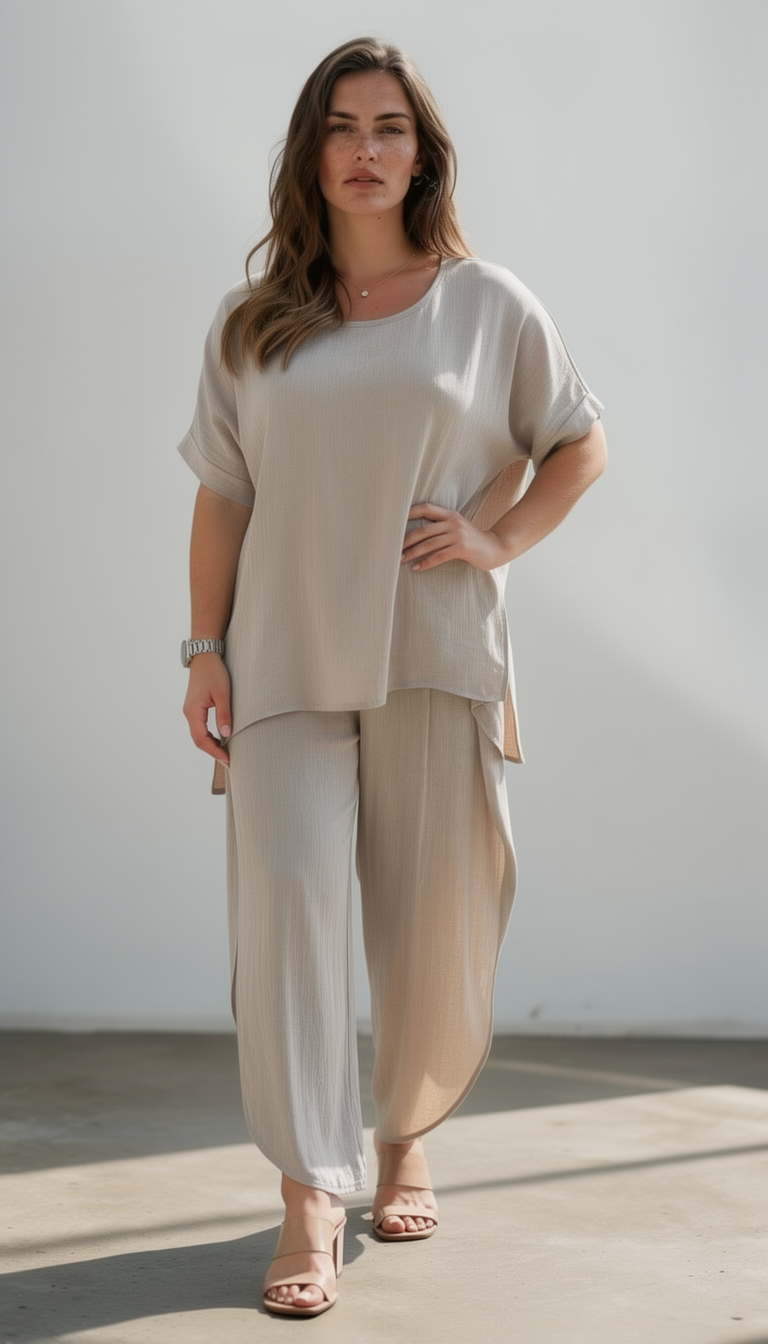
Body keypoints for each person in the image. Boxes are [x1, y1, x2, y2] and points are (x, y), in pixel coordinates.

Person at [178, 36, 606, 1317]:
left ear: (423, 156)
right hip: (284, 654)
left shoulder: (487, 303)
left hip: (433, 648)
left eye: (390, 128)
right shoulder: (254, 322)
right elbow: (222, 494)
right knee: (288, 908)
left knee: (428, 914)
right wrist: (203, 650)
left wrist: (496, 541)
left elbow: (577, 443)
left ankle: (405, 1132)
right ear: (310, 154)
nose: (365, 151)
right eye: (341, 128)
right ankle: (310, 1195)